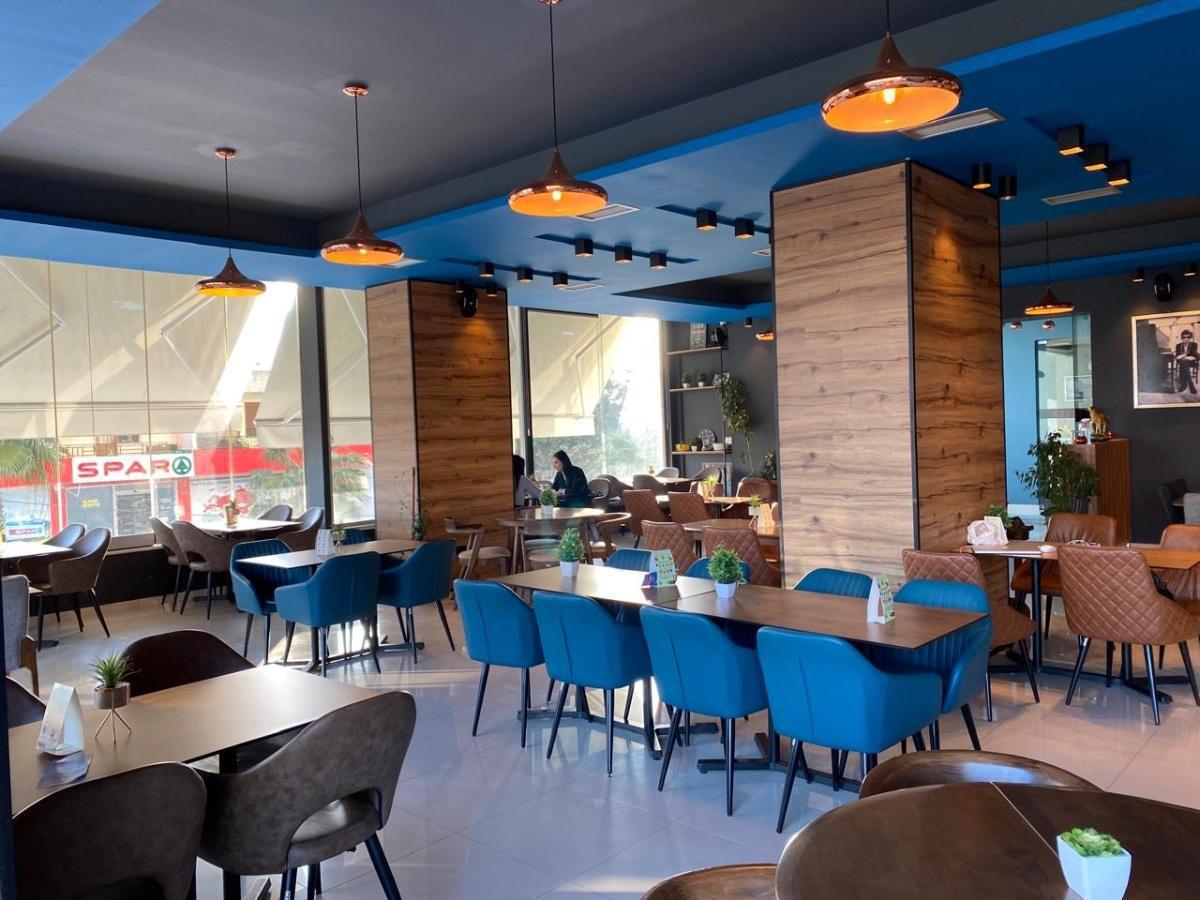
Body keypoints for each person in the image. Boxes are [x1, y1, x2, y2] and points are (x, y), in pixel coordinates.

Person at [1175, 329, 1199, 394]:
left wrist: (1184, 357)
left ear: (1190, 338)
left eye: (1188, 337)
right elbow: (1177, 355)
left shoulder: (1194, 344)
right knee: (1183, 363)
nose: (1186, 339)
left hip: (1191, 361)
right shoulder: (1178, 345)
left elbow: (1193, 355)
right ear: (1182, 338)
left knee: (1183, 363)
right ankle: (1191, 384)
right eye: (1184, 337)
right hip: (1183, 361)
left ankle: (1183, 385)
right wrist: (1182, 356)